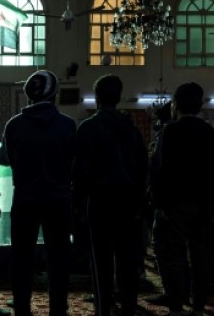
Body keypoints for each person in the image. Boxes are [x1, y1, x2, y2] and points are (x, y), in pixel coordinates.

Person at [150, 82, 214, 316]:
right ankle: (198, 306)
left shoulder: (171, 132)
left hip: (175, 205)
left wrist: (160, 203)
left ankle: (176, 305)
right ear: (200, 106)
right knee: (200, 257)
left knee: (173, 257)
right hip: (205, 206)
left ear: (175, 105)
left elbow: (159, 169)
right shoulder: (212, 135)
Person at [0, 70, 75, 316]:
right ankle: (58, 308)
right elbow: (73, 162)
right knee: (59, 259)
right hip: (59, 200)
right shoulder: (67, 125)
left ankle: (22, 307)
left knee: (22, 259)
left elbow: (7, 160)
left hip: (26, 199)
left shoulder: (14, 125)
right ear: (55, 94)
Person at [74, 75, 147, 316]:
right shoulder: (132, 129)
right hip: (129, 203)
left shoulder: (88, 128)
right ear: (118, 98)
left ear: (96, 99)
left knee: (101, 260)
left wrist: (78, 209)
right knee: (128, 260)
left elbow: (81, 172)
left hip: (100, 203)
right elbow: (142, 169)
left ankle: (104, 306)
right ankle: (128, 305)